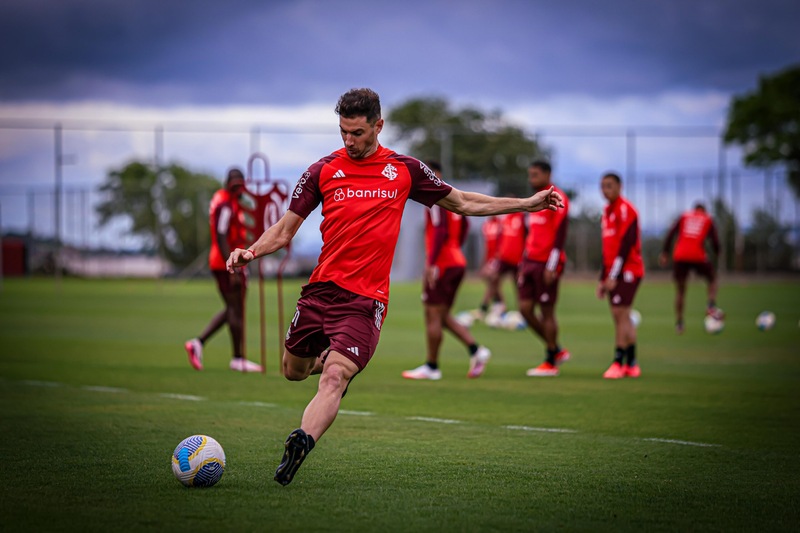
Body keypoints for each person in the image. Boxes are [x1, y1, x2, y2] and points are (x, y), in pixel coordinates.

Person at [226, 88, 564, 486]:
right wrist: (251, 251)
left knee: (334, 378)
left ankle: (302, 439)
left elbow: (464, 203)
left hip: (364, 301)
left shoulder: (404, 170)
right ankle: (329, 360)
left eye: (357, 132)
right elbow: (285, 230)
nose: (348, 141)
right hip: (319, 292)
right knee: (292, 371)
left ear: (378, 126)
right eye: (343, 132)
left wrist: (527, 203)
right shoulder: (322, 170)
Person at [401, 161, 492, 381]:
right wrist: (455, 250)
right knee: (441, 316)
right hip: (456, 262)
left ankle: (432, 366)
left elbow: (440, 230)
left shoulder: (435, 198)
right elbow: (465, 226)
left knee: (432, 315)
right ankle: (476, 351)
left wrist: (432, 262)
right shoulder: (451, 195)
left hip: (442, 264)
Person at [184, 168, 263, 373]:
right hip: (226, 263)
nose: (238, 188)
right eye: (235, 184)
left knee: (233, 309)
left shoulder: (229, 201)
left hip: (227, 262)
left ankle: (199, 344)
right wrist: (234, 268)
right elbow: (220, 235)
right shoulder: (226, 204)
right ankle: (237, 358)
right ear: (228, 183)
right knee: (235, 309)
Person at [519, 161, 571, 377]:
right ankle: (556, 349)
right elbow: (530, 232)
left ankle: (551, 361)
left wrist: (552, 265)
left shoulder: (557, 197)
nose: (532, 179)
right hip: (530, 261)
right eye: (530, 175)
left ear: (548, 174)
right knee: (525, 309)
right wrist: (523, 260)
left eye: (536, 175)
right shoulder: (535, 200)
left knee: (546, 311)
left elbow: (560, 234)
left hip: (547, 263)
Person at [596, 172, 644, 379]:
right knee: (622, 316)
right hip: (614, 271)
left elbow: (625, 246)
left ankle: (618, 361)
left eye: (609, 186)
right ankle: (631, 363)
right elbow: (607, 249)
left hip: (628, 270)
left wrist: (613, 275)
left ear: (619, 186)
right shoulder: (607, 212)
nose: (605, 190)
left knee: (620, 314)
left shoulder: (626, 210)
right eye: (603, 186)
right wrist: (602, 278)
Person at [659, 202, 722, 334]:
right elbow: (715, 241)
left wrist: (665, 252)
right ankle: (710, 305)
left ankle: (679, 324)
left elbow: (671, 233)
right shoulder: (708, 218)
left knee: (681, 291)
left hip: (680, 256)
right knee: (713, 279)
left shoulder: (684, 216)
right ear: (704, 210)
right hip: (697, 255)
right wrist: (717, 254)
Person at [484, 209, 526, 323]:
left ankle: (522, 311)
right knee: (493, 278)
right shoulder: (505, 219)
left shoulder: (522, 217)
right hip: (504, 257)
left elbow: (526, 235)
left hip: (518, 258)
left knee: (518, 284)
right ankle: (496, 305)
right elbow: (500, 238)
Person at [477, 215, 503, 316]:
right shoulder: (486, 225)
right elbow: (486, 245)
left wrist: (498, 257)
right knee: (492, 281)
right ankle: (499, 304)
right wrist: (483, 262)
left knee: (493, 280)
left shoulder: (500, 223)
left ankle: (484, 306)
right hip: (489, 258)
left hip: (498, 257)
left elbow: (501, 242)